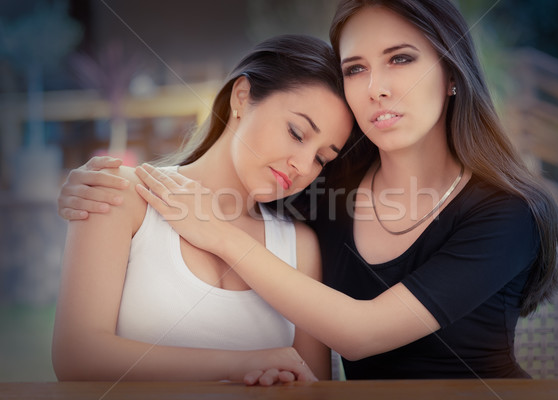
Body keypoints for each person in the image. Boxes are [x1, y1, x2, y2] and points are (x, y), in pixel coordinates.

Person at [58, 0, 558, 380]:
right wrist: (90, 187)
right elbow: (232, 184)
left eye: (401, 59)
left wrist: (217, 232)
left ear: (452, 73)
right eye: (356, 68)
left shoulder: (506, 214)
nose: (376, 87)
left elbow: (354, 340)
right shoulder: (323, 194)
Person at [52, 34, 354, 385]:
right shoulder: (125, 194)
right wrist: (239, 365)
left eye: (321, 158)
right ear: (242, 97)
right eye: (297, 132)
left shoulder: (300, 246)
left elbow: (313, 385)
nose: (303, 165)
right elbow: (77, 356)